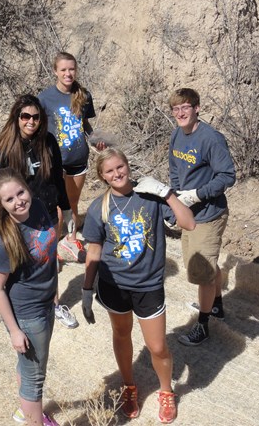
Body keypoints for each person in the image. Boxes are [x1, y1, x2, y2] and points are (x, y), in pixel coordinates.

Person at [80, 148, 195, 424]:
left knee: (157, 347)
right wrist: (86, 289)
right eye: (109, 171)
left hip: (149, 285)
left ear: (127, 166)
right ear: (102, 176)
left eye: (120, 167)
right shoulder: (99, 207)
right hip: (113, 285)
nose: (116, 174)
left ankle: (166, 391)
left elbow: (188, 223)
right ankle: (129, 386)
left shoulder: (150, 197)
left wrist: (166, 192)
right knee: (121, 334)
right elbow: (94, 252)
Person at [0, 94, 78, 329]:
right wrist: (5, 219)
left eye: (36, 117)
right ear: (17, 118)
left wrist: (68, 209)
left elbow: (59, 178)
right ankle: (10, 309)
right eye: (25, 116)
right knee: (17, 263)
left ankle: (53, 304)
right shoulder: (6, 149)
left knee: (49, 261)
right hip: (19, 217)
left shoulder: (49, 142)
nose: (31, 121)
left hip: (47, 213)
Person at [0, 168, 60, 426]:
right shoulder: (4, 243)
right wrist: (15, 330)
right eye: (9, 199)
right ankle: (34, 422)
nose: (18, 201)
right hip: (28, 316)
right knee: (34, 378)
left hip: (45, 303)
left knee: (29, 367)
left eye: (20, 192)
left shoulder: (38, 207)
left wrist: (54, 288)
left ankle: (24, 413)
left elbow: (50, 252)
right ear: (1, 205)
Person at [168, 88, 236, 346]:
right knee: (203, 265)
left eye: (186, 107)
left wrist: (197, 195)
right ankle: (216, 305)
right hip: (189, 213)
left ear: (197, 108)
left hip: (209, 214)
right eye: (176, 109)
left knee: (202, 271)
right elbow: (174, 170)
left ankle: (203, 325)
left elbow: (228, 176)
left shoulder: (211, 139)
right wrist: (174, 203)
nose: (181, 113)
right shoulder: (177, 135)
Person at [38, 52, 105, 261]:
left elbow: (84, 124)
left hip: (78, 158)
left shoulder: (83, 95)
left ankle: (70, 240)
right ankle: (50, 248)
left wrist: (94, 139)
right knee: (57, 205)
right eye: (63, 70)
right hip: (56, 160)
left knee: (73, 203)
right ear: (55, 72)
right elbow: (37, 127)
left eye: (72, 69)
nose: (68, 73)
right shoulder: (45, 98)